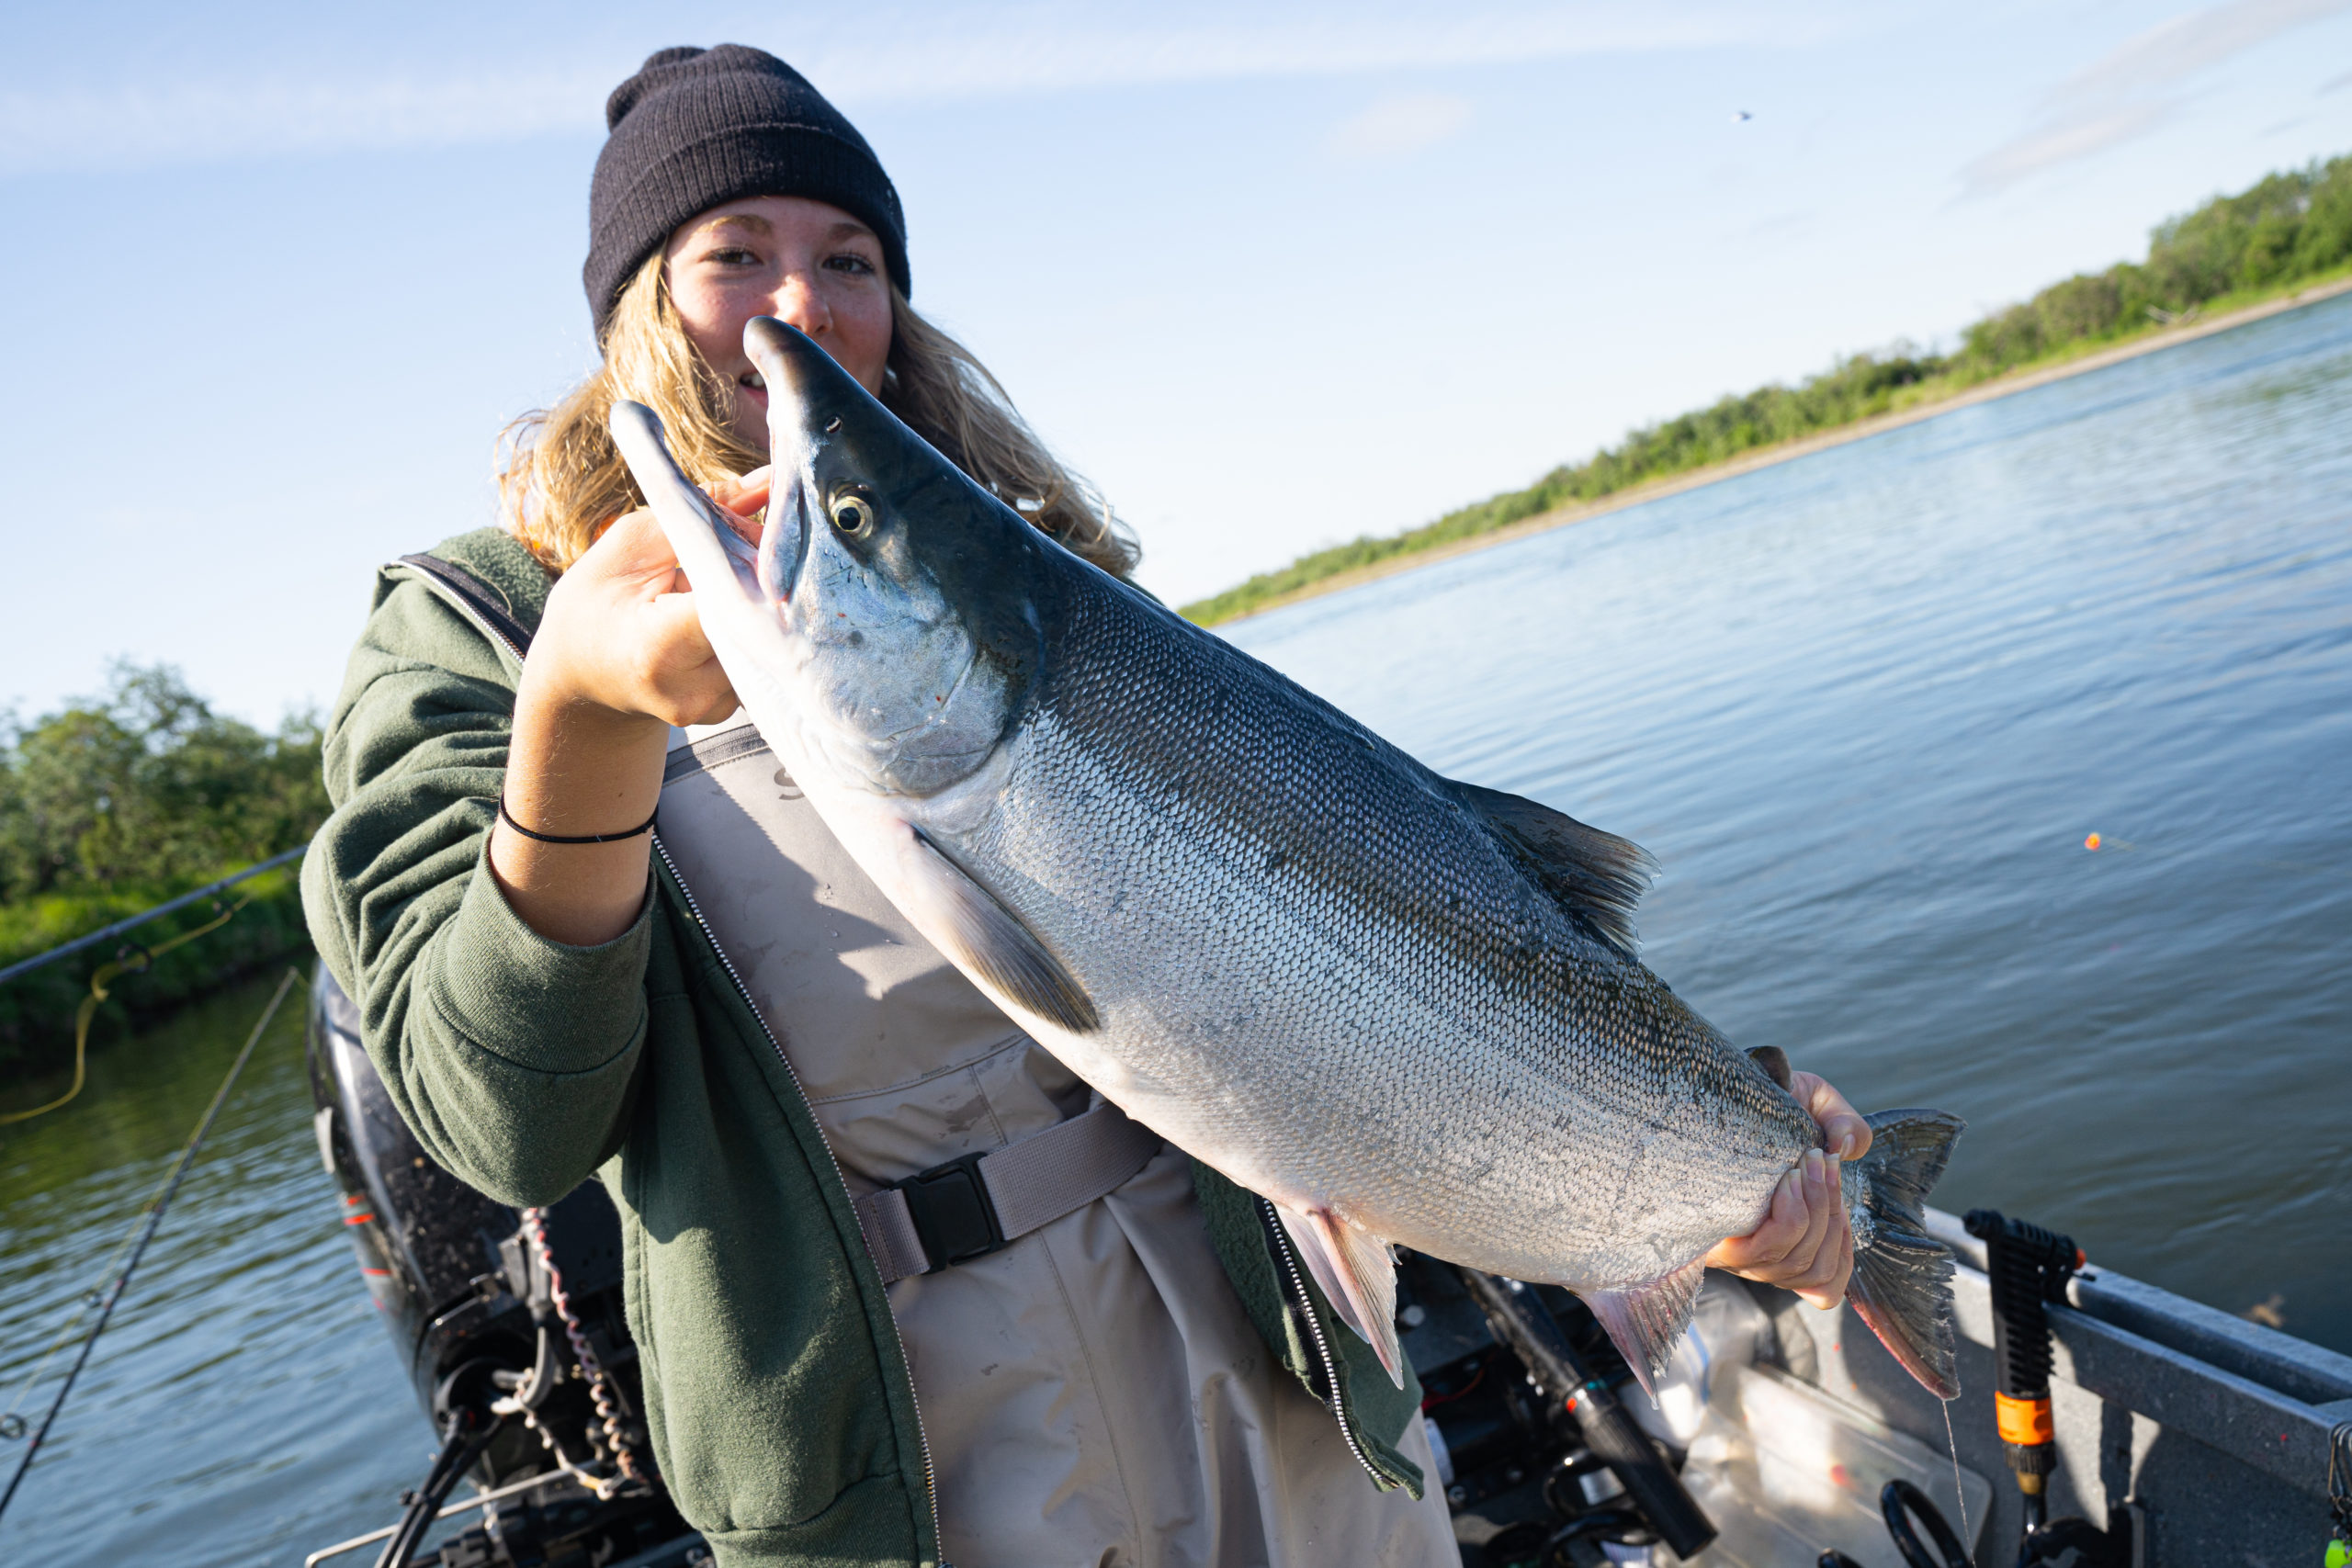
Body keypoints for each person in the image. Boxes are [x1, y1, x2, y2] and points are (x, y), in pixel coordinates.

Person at [303, 44, 1875, 1568]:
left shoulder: (1025, 561)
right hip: (895, 1454)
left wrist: (1700, 1168)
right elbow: (506, 1129)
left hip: (1270, 1346)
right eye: (736, 253)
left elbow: (1395, 947)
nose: (804, 305)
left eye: (851, 255)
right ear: (636, 302)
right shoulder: (465, 636)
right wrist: (577, 710)